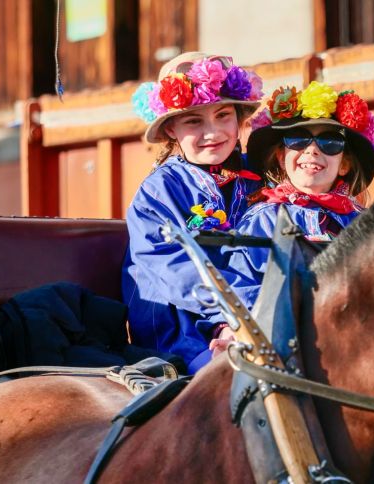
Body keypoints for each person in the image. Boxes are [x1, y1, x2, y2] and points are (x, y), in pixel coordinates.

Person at [208, 82, 374, 355]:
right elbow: (241, 283)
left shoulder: (366, 225)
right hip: (287, 345)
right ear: (282, 157)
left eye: (329, 142)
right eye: (298, 140)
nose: (312, 150)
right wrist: (239, 331)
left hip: (358, 344)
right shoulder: (264, 219)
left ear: (345, 164)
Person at [123, 52, 265, 373]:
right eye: (193, 121)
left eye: (223, 115)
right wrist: (231, 323)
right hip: (183, 335)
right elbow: (178, 273)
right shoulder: (157, 193)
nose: (213, 132)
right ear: (171, 129)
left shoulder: (261, 174)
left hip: (258, 318)